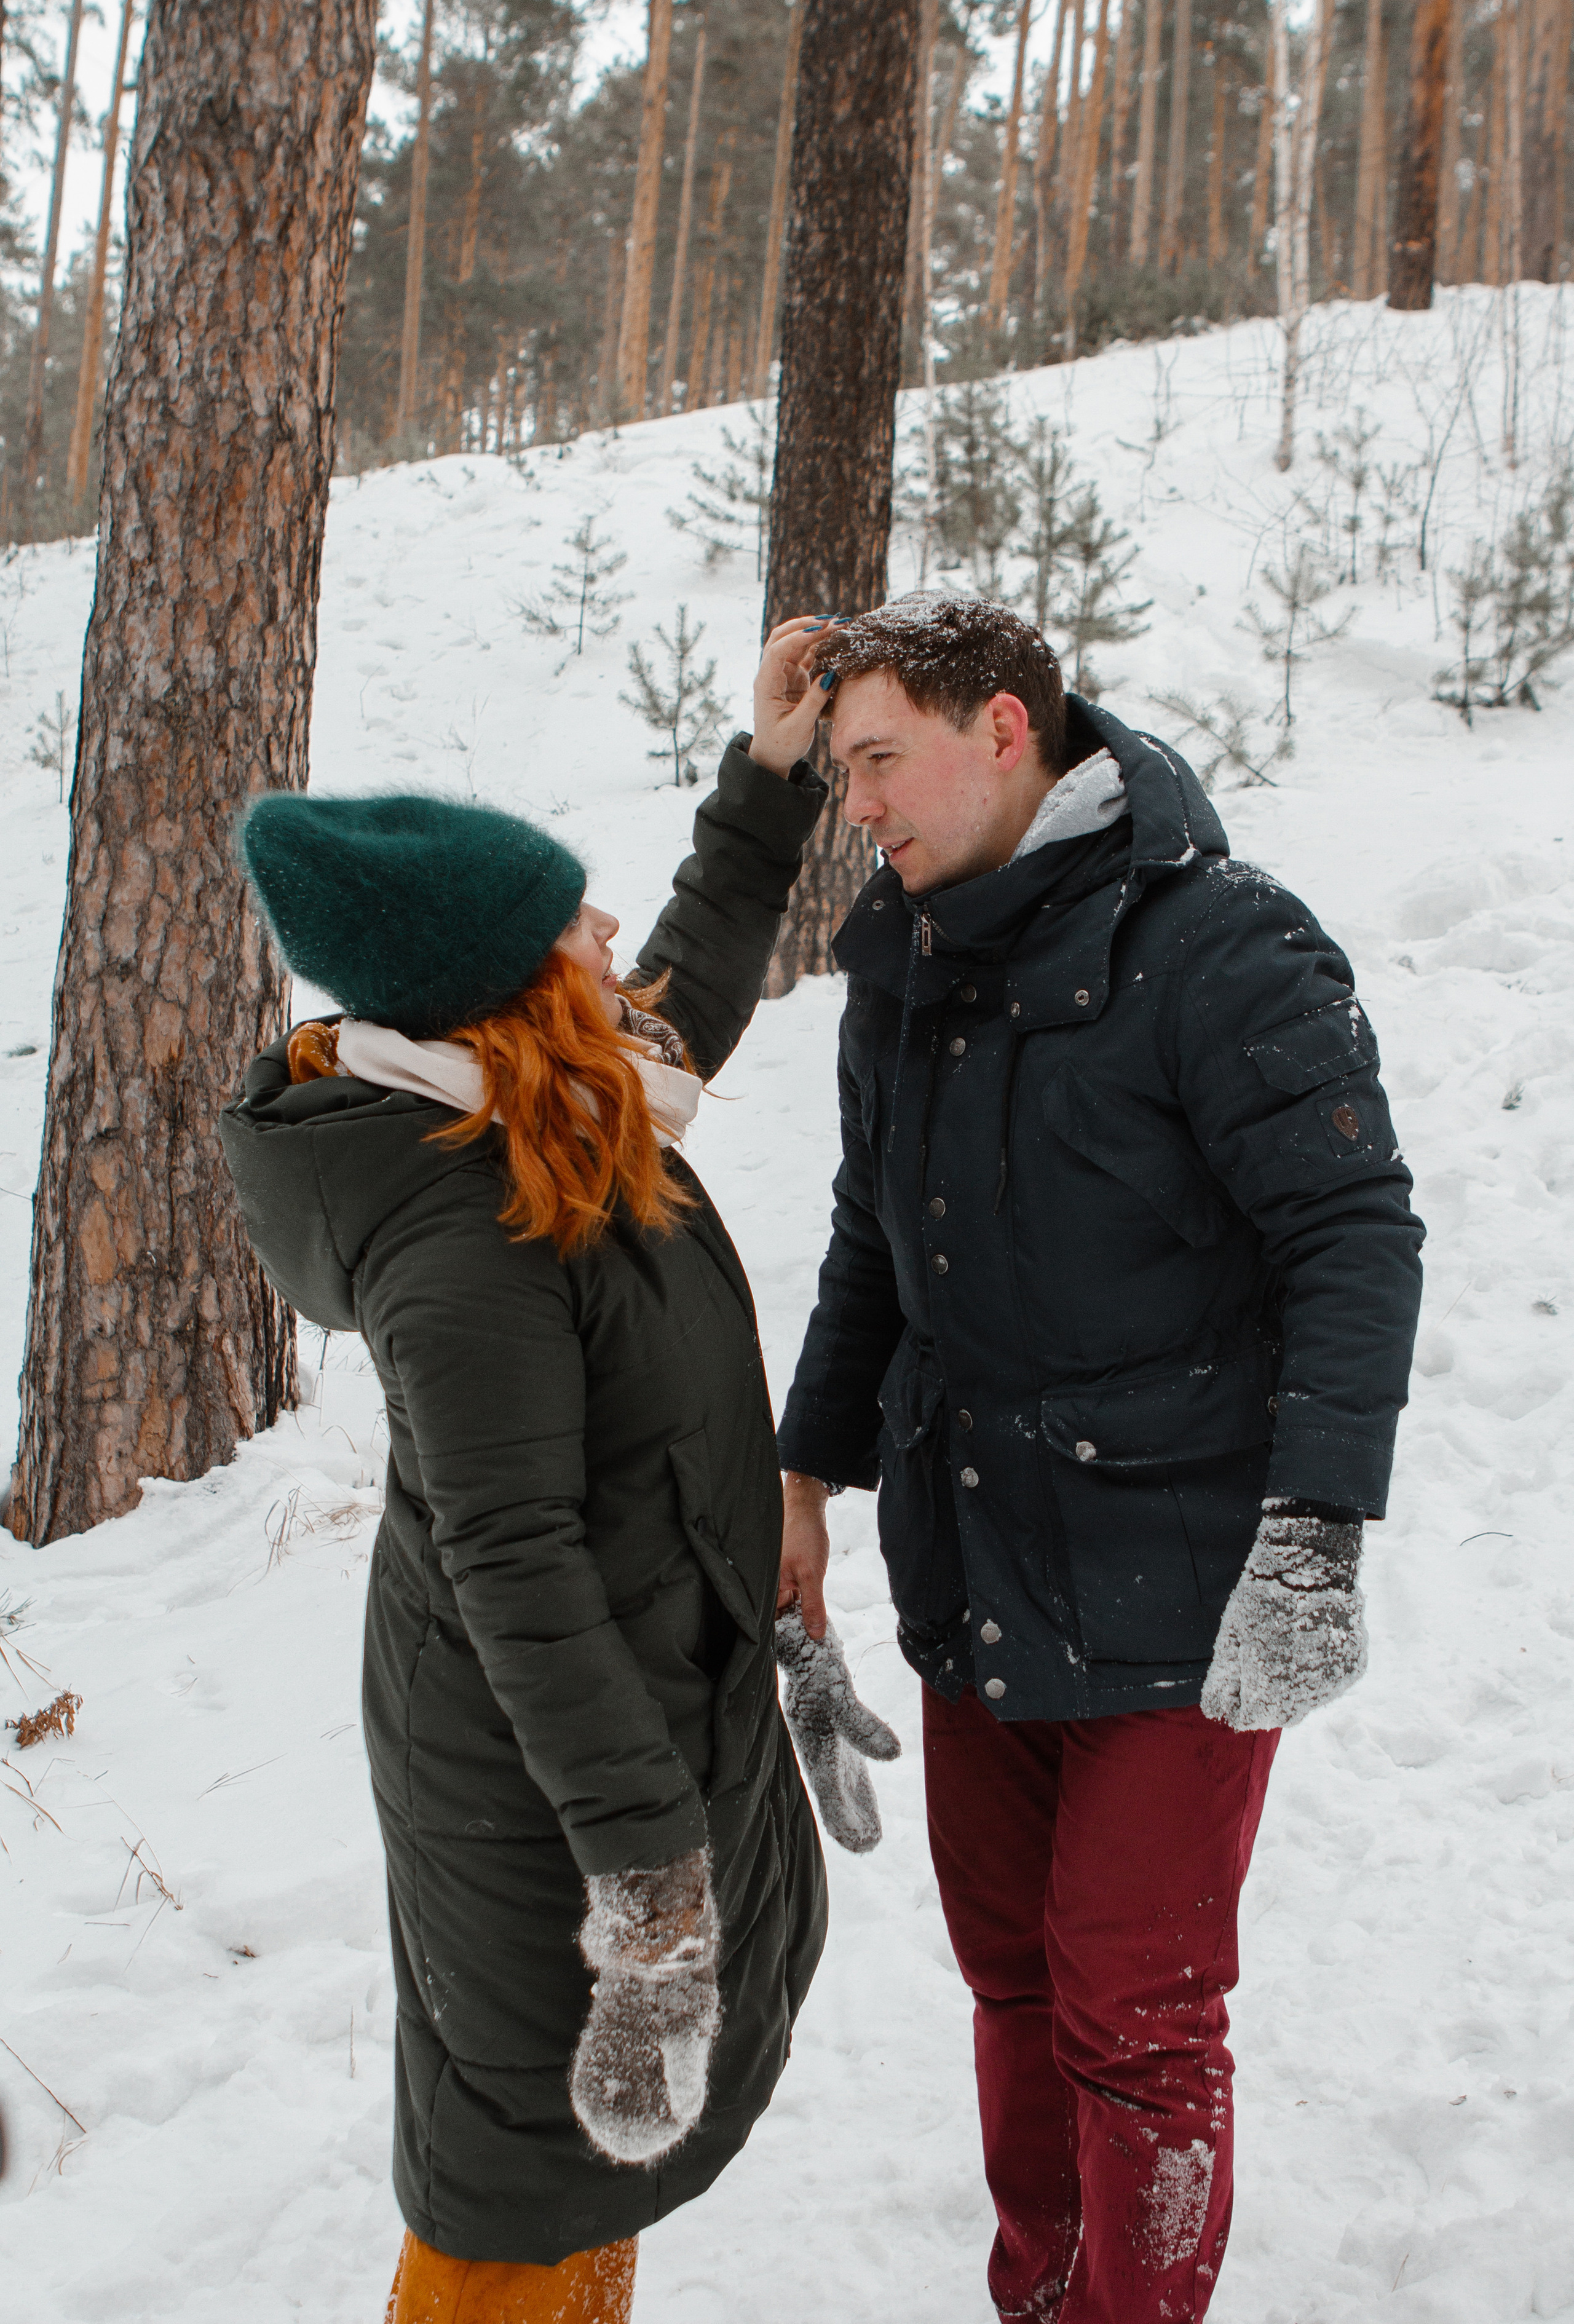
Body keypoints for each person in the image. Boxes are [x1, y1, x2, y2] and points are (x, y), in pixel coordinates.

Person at [220, 620, 898, 2324]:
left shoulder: (551, 1099)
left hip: (634, 1715)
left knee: (601, 2155)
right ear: (513, 990)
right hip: (539, 1783)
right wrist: (651, 1894)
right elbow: (513, 1574)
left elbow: (692, 989)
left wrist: (771, 776)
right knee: (516, 2181)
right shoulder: (462, 1239)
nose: (608, 937)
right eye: (572, 923)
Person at [772, 593, 1424, 2324]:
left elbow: (1353, 1233)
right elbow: (869, 1243)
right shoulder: (902, 965)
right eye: (841, 775)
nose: (860, 806)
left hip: (1180, 1587)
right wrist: (804, 1480)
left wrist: (1316, 1530)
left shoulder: (1221, 946)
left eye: (879, 761)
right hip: (976, 1557)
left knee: (1136, 2006)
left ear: (1004, 729)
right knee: (1012, 1979)